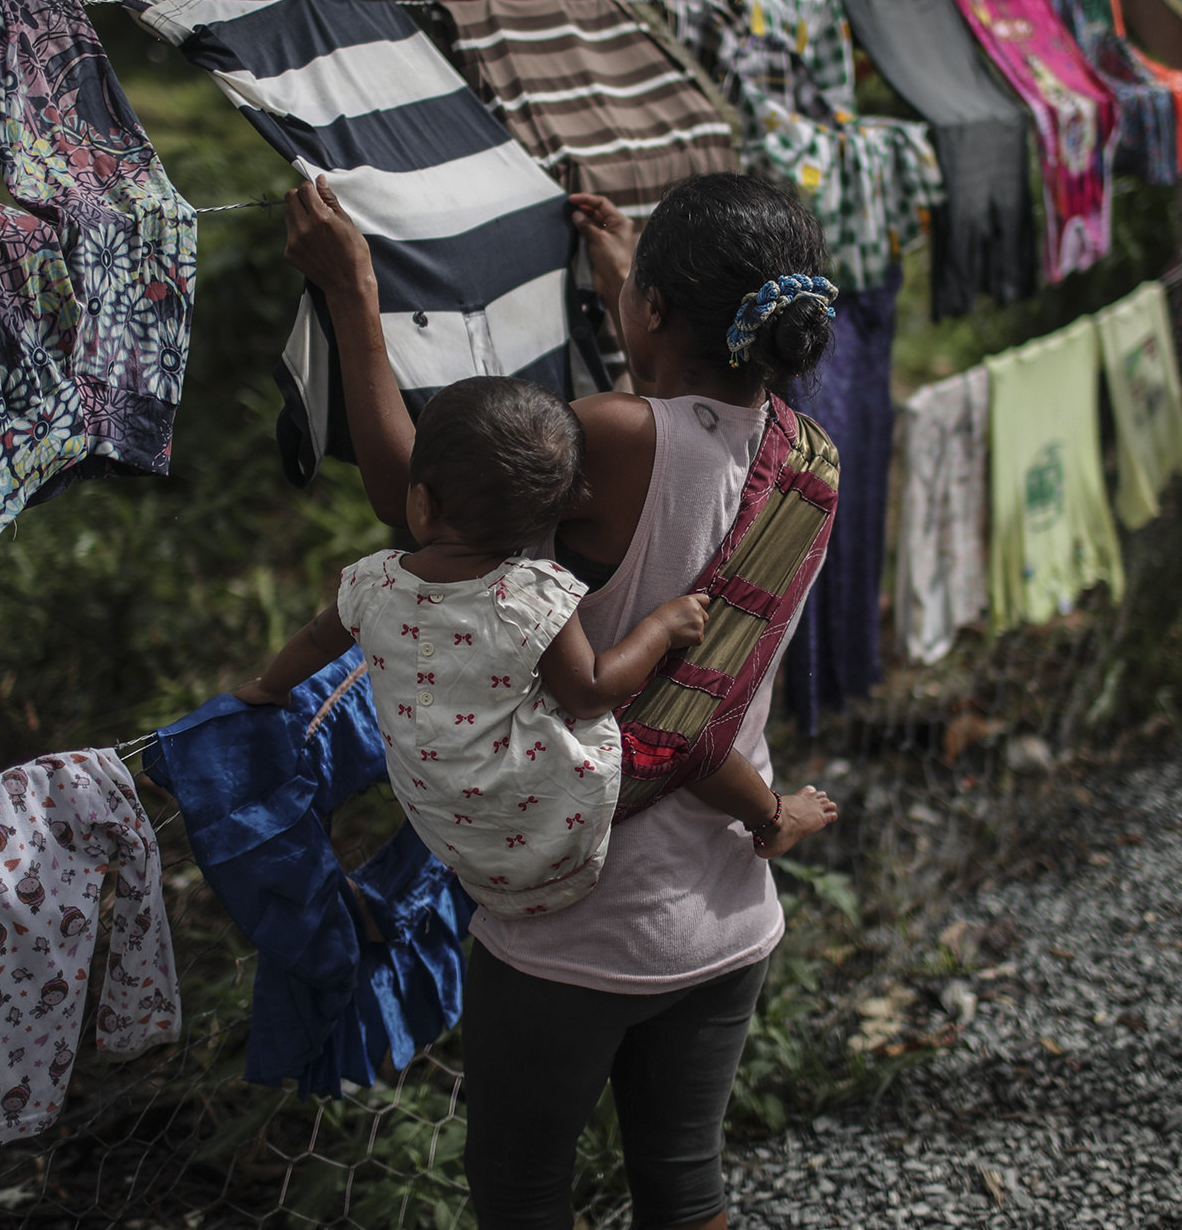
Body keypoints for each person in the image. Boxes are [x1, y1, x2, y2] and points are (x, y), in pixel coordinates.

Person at [278, 170, 842, 1230]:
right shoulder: (808, 460)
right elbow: (692, 440)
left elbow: (421, 499)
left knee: (524, 1198)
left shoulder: (614, 436)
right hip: (726, 915)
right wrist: (643, 295)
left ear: (657, 312)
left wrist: (355, 292)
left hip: (574, 929)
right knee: (685, 1192)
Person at [230, 375, 837, 919]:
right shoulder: (529, 595)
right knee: (687, 731)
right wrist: (660, 628)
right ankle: (772, 816)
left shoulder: (371, 583)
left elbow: (314, 640)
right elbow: (591, 692)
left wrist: (270, 688)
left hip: (443, 829)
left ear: (421, 502)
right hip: (549, 821)